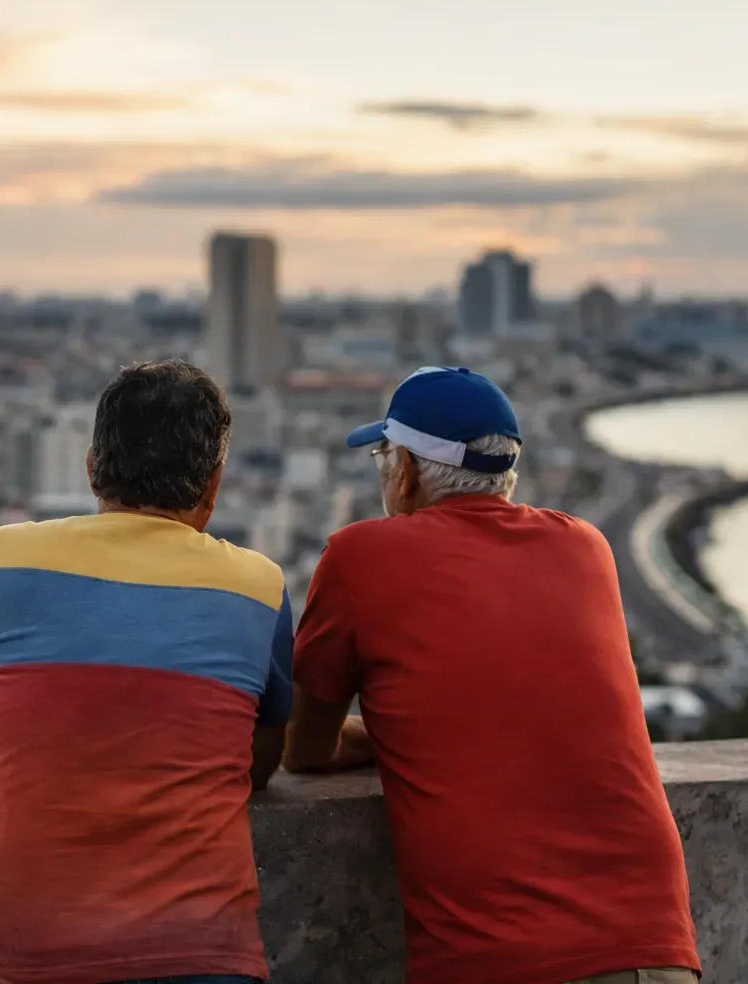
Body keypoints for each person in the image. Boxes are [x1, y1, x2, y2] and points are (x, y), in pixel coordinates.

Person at [282, 366, 701, 984]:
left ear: (406, 470)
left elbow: (302, 746)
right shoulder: (586, 548)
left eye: (383, 454)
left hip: (500, 957)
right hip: (654, 947)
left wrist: (390, 738)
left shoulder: (360, 556)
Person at [0, 359, 291, 984]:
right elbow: (259, 763)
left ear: (90, 467)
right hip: (205, 958)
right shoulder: (259, 589)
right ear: (213, 485)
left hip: (33, 962)